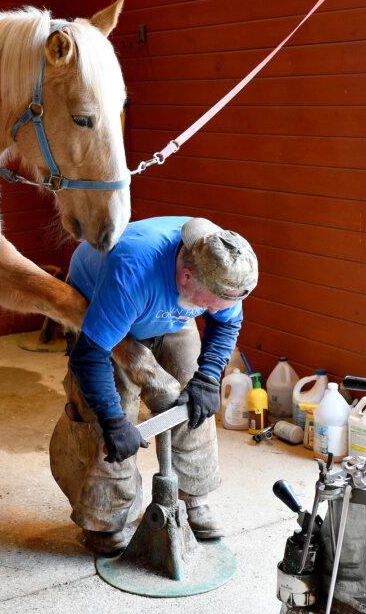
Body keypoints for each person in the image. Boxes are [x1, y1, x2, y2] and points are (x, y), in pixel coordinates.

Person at [49, 216, 257, 554]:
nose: (221, 309)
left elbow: (227, 323)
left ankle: (194, 498)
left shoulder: (222, 266)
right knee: (111, 410)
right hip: (101, 309)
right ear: (187, 276)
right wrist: (114, 421)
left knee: (195, 401)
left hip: (169, 313)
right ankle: (105, 518)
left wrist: (208, 377)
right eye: (214, 302)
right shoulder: (132, 270)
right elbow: (90, 356)